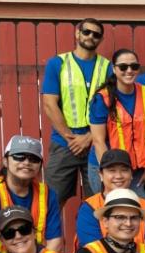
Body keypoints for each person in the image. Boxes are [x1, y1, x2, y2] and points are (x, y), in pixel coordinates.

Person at [40, 18, 111, 204]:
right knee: (51, 202)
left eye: (96, 34)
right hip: (64, 143)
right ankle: (49, 235)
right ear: (77, 33)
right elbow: (49, 104)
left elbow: (114, 107)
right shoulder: (57, 63)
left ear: (101, 40)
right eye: (86, 32)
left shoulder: (107, 67)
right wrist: (70, 138)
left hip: (96, 144)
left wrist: (89, 137)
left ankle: (95, 234)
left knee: (99, 201)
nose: (90, 37)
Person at [0, 135, 64, 253]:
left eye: (34, 159)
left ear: (40, 165)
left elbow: (55, 242)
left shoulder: (48, 194)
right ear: (5, 161)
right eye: (19, 156)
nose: (26, 162)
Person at [89, 48, 145, 202]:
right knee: (112, 213)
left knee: (143, 210)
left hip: (138, 169)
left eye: (134, 66)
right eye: (123, 67)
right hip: (108, 167)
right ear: (114, 69)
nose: (129, 71)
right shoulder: (102, 98)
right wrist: (110, 176)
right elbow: (98, 141)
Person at [75, 149, 145, 252]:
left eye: (124, 170)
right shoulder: (89, 207)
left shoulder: (144, 206)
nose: (119, 176)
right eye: (112, 170)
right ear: (101, 175)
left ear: (131, 174)